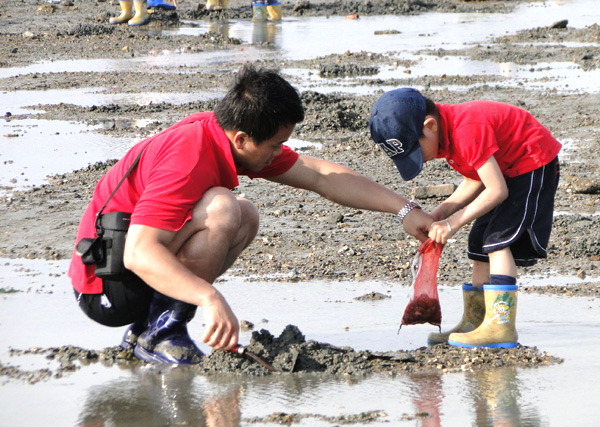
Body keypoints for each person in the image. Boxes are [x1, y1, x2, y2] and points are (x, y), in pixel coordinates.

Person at [69, 65, 433, 365]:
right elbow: (138, 252)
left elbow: (321, 176)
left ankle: (149, 328)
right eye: (275, 145)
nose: (279, 154)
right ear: (242, 138)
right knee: (224, 208)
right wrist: (209, 298)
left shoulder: (223, 137)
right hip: (105, 288)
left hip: (129, 271)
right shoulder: (188, 156)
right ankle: (162, 333)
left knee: (245, 214)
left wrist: (405, 209)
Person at [369, 88, 561, 349]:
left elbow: (496, 190)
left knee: (497, 240)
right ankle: (477, 321)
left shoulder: (466, 130)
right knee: (478, 242)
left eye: (415, 151)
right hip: (504, 170)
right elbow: (475, 178)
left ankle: (501, 326)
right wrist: (440, 214)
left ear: (430, 125)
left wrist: (452, 223)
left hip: (531, 162)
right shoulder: (447, 136)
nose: (420, 159)